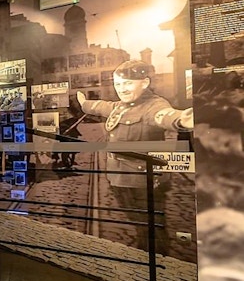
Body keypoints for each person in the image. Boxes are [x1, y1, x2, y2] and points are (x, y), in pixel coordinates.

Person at [76, 59, 193, 254]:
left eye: (128, 83)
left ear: (145, 82)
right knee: (140, 224)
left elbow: (163, 115)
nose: (122, 89)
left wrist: (182, 119)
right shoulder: (121, 106)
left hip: (142, 181)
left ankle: (158, 264)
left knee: (151, 228)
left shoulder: (153, 104)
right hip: (121, 179)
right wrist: (84, 104)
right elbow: (101, 106)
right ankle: (146, 255)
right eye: (118, 84)